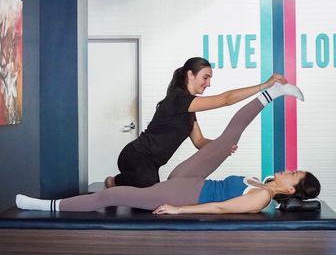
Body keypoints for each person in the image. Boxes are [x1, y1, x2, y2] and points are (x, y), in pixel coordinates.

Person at [16, 82, 321, 215]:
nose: (286, 170)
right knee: (228, 139)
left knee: (112, 196)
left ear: (292, 190)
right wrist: (218, 151)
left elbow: (219, 208)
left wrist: (180, 210)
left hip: (184, 195)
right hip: (191, 179)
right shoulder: (265, 182)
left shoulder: (260, 197)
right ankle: (275, 93)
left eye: (292, 174)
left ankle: (46, 206)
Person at [104, 57, 288, 189]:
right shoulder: (177, 99)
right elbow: (225, 99)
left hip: (152, 164)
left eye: (210, 79)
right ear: (190, 75)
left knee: (150, 193)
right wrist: (264, 85)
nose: (208, 84)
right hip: (135, 155)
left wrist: (221, 146)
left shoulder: (189, 110)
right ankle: (113, 181)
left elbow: (199, 142)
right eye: (205, 77)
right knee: (146, 183)